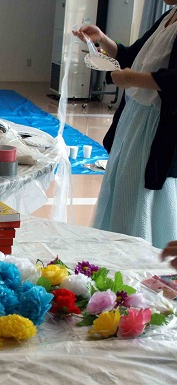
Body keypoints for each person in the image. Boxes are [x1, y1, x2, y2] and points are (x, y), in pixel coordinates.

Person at [73, 2, 177, 249]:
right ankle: (115, 248)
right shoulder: (169, 16)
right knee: (121, 188)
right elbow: (132, 56)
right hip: (134, 117)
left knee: (141, 194)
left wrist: (133, 78)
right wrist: (102, 39)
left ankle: (140, 250)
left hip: (156, 126)